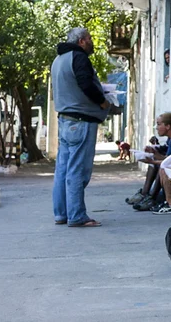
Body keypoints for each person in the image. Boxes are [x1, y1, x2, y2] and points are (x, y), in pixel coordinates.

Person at [50, 27, 110, 228]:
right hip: (81, 122)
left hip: (65, 120)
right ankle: (76, 215)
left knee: (63, 170)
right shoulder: (79, 57)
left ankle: (61, 214)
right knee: (77, 171)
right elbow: (85, 84)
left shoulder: (58, 61)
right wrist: (102, 100)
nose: (92, 42)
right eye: (90, 39)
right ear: (82, 41)